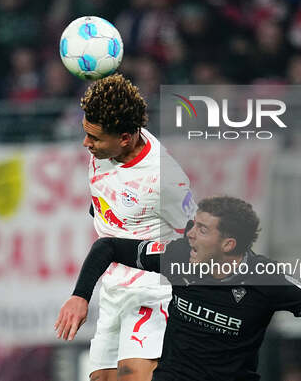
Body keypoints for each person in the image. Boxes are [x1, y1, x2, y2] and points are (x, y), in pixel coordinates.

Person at [55, 196, 301, 381]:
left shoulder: (268, 279)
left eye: (201, 229)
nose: (190, 235)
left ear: (228, 244)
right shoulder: (178, 257)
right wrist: (80, 295)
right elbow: (107, 246)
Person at [57, 74, 196, 381]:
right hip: (113, 290)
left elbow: (197, 239)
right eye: (86, 133)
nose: (86, 143)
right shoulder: (107, 146)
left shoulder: (165, 179)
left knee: (132, 376)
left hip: (154, 290)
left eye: (94, 138)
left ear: (124, 138)